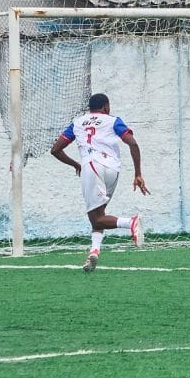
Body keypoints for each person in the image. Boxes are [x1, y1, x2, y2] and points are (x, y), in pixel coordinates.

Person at [50, 93, 150, 273]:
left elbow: (55, 150)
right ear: (106, 106)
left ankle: (131, 223)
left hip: (92, 167)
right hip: (113, 170)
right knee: (99, 216)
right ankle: (93, 252)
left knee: (96, 217)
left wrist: (76, 164)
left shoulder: (78, 123)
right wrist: (138, 174)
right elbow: (133, 143)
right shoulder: (113, 121)